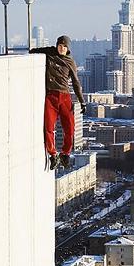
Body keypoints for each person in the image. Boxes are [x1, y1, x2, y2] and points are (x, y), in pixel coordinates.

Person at [30, 35, 86, 170]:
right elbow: (33, 51)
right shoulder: (50, 53)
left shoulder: (70, 61)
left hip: (65, 97)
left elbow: (76, 82)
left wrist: (82, 101)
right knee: (48, 127)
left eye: (64, 46)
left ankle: (65, 154)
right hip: (51, 97)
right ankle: (53, 154)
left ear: (68, 48)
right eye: (60, 46)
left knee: (70, 129)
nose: (61, 48)